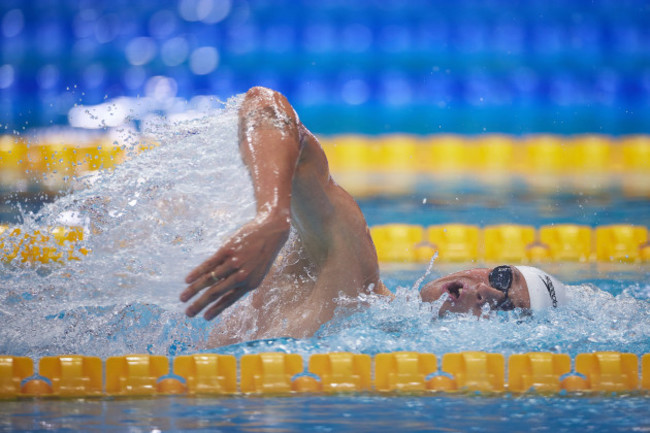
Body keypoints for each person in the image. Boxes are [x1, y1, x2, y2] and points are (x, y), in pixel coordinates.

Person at [179, 87, 567, 346]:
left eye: (505, 309)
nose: (487, 292)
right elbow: (266, 107)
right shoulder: (349, 273)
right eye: (502, 277)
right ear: (483, 265)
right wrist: (272, 216)